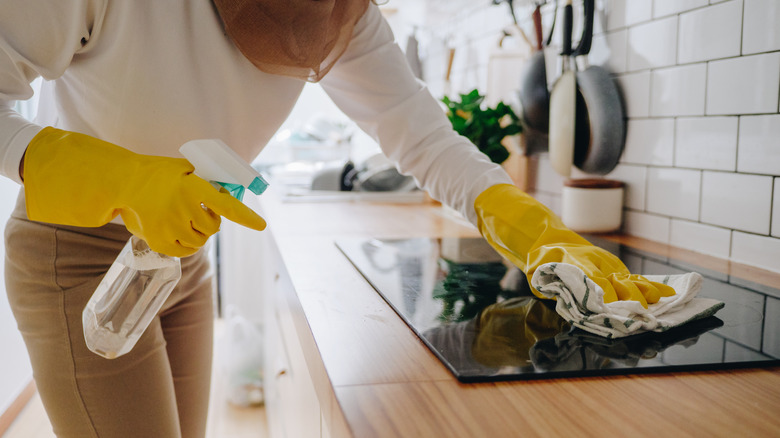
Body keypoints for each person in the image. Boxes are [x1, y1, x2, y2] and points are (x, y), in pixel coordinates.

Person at [0, 1, 674, 437]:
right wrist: (112, 175)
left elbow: (427, 142)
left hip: (178, 255)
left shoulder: (336, 13)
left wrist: (539, 230)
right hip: (78, 258)